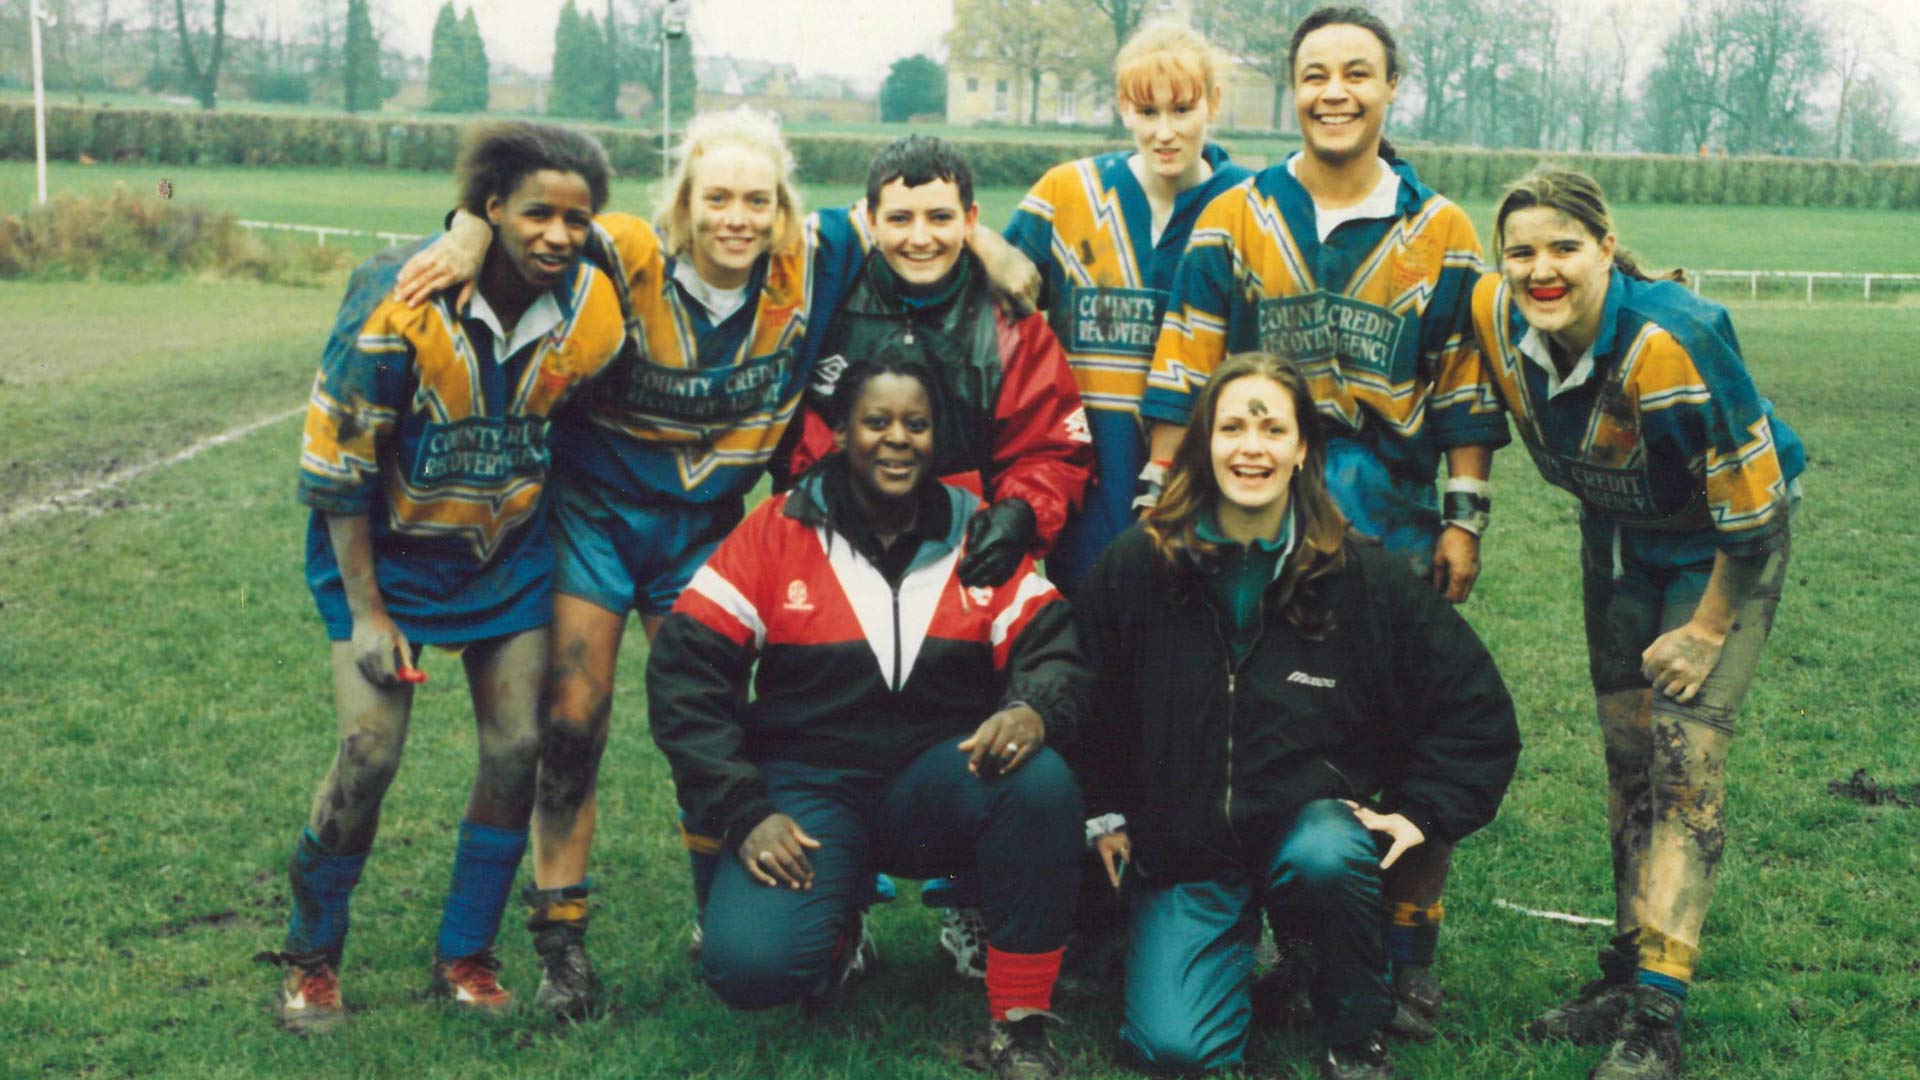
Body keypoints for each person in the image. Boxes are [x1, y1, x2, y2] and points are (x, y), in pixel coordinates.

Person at [391, 112, 1045, 1015]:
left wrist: (994, 246)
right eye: (715, 197)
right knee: (573, 721)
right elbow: (529, 226)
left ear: (783, 208)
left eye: (756, 198)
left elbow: (911, 216)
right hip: (597, 515)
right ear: (680, 204)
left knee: (717, 714)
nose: (736, 216)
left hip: (703, 523)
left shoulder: (810, 259)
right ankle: (561, 940)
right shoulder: (625, 252)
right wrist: (466, 226)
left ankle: (722, 908)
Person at [1140, 6, 1507, 1033]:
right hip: (1262, 501)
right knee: (1276, 723)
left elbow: (1463, 383)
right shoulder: (1237, 215)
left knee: (1406, 722)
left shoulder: (1440, 230)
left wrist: (1463, 517)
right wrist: (1157, 490)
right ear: (1291, 90)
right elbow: (1187, 357)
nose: (1334, 91)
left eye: (1357, 73)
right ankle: (1303, 943)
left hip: (1386, 505)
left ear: (1392, 89)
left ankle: (1408, 949)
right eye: (1314, 74)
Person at [265, 121, 626, 1034]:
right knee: (368, 756)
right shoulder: (402, 299)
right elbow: (338, 461)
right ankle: (311, 958)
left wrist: (478, 225)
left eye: (576, 219)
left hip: (503, 557)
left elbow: (639, 253)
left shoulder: (592, 303)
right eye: (534, 211)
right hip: (381, 563)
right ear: (491, 206)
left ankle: (465, 952)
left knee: (516, 749)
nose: (557, 234)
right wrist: (368, 613)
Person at [1073, 352, 1519, 1080]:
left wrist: (1421, 814)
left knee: (1327, 851)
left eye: (1273, 428)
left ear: (1303, 448)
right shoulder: (1139, 565)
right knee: (1174, 1051)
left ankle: (1353, 1026)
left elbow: (1472, 706)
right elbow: (1088, 698)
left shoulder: (1360, 574)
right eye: (1233, 427)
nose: (1252, 447)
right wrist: (1105, 813)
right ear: (1203, 442)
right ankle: (1236, 960)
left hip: (1302, 832)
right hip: (1187, 851)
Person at [647, 356, 1088, 1080]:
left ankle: (1017, 1025)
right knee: (751, 970)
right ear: (841, 433)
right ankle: (836, 926)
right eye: (876, 421)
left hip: (938, 781)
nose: (896, 439)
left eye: (915, 424)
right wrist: (742, 807)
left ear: (937, 436)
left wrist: (1032, 708)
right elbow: (686, 675)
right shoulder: (777, 528)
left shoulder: (977, 532)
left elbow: (1054, 649)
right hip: (809, 794)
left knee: (1036, 781)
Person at [1470, 167, 1803, 1080]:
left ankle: (1659, 1015)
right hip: (1618, 534)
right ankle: (1626, 967)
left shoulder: (1675, 337)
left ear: (1607, 249)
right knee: (1628, 755)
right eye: (1521, 252)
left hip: (1721, 543)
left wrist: (1704, 630)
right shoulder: (1496, 316)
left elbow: (1755, 512)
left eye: (1565, 249)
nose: (1542, 270)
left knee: (1685, 762)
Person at [1003, 19, 1254, 597]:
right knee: (1090, 633)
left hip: (1208, 469)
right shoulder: (1066, 195)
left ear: (1213, 104)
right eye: (1147, 113)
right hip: (1093, 474)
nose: (1164, 131)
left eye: (1182, 109)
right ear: (1123, 109)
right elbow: (994, 297)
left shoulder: (1248, 202)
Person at [790, 134, 1094, 595]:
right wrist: (828, 488)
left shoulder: (1010, 323)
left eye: (939, 218)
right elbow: (800, 422)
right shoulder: (830, 295)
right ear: (870, 221)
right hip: (839, 550)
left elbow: (1050, 448)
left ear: (970, 221)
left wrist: (1020, 514)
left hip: (964, 560)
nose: (920, 238)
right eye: (899, 218)